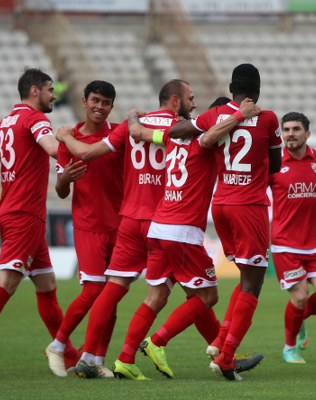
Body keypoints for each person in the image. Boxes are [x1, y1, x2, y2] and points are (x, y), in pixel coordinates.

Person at [56, 79, 219, 380]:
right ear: (174, 100)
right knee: (196, 291)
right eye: (191, 98)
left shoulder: (136, 123)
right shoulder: (183, 129)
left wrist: (65, 138)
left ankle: (91, 355)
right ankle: (222, 352)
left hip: (129, 218)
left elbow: (89, 153)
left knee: (115, 287)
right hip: (166, 222)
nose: (194, 104)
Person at [111, 96, 262, 380]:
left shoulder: (170, 136)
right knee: (208, 295)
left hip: (159, 226)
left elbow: (138, 132)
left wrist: (131, 115)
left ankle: (124, 359)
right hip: (183, 231)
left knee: (156, 297)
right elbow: (213, 137)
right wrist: (240, 117)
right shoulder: (205, 139)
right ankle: (157, 342)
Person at [0, 68, 79, 375]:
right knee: (6, 282)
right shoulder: (35, 119)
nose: (53, 95)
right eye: (49, 89)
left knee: (46, 285)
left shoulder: (5, 122)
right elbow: (51, 149)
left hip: (13, 210)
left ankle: (70, 354)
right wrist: (68, 137)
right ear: (34, 91)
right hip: (24, 213)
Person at [168, 63, 282, 381]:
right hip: (250, 206)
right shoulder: (269, 118)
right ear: (257, 91)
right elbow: (274, 164)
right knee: (253, 283)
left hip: (220, 207)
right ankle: (227, 357)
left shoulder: (212, 117)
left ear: (231, 90)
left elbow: (175, 132)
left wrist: (215, 129)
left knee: (245, 277)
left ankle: (220, 343)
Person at [44, 81, 123, 378]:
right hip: (89, 225)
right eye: (95, 100)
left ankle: (95, 360)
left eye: (106, 102)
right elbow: (61, 190)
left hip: (120, 225)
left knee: (111, 296)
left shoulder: (118, 135)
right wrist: (66, 180)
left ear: (112, 107)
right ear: (84, 101)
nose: (100, 107)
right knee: (93, 290)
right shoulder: (69, 139)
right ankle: (58, 345)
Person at [268, 112, 316, 364]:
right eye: (286, 129)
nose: (290, 133)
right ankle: (290, 348)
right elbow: (253, 194)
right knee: (299, 296)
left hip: (315, 244)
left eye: (296, 129)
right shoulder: (273, 161)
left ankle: (299, 319)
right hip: (284, 244)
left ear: (307, 134)